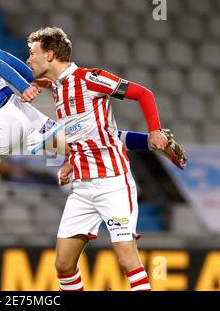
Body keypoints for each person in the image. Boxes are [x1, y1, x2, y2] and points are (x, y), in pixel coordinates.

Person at [0, 0, 186, 277]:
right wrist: (30, 79)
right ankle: (146, 145)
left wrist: (24, 85)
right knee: (79, 146)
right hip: (22, 114)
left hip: (2, 123)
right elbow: (1, 55)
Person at [26, 27, 178, 291]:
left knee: (127, 259)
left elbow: (143, 93)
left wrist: (154, 130)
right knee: (63, 264)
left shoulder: (89, 78)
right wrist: (71, 160)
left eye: (33, 53)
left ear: (49, 55)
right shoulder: (57, 88)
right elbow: (83, 133)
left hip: (113, 183)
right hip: (82, 188)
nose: (29, 60)